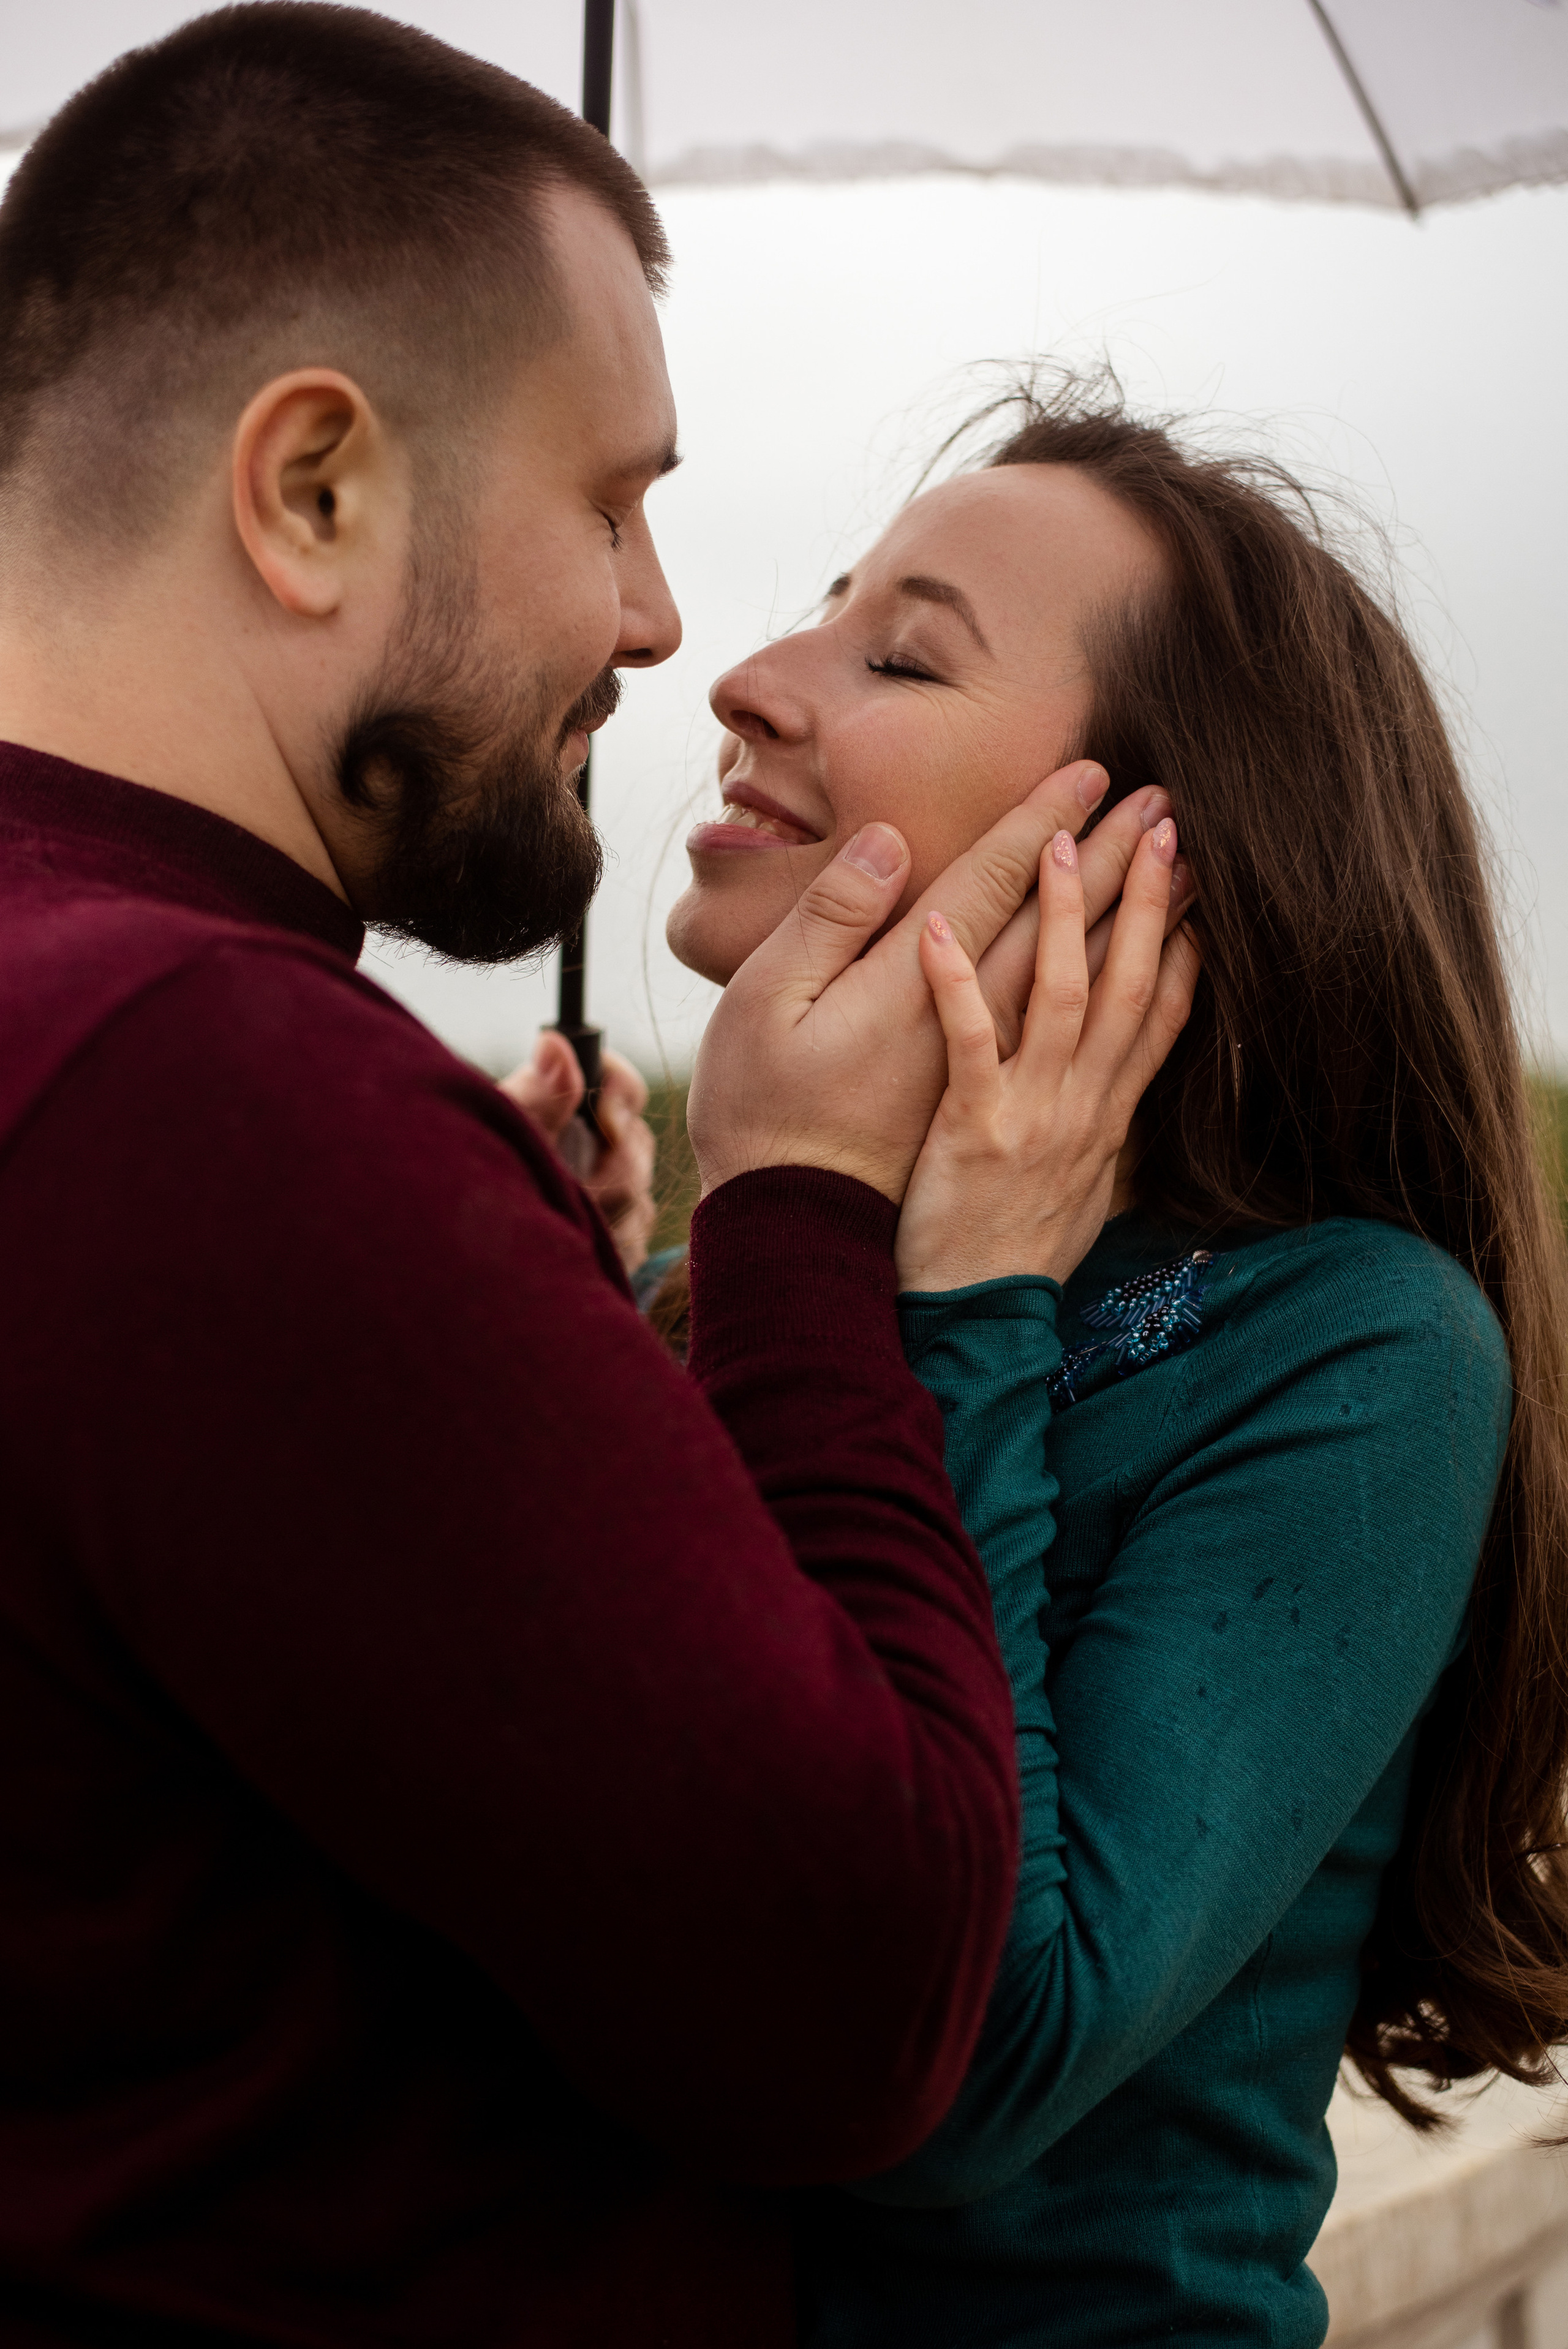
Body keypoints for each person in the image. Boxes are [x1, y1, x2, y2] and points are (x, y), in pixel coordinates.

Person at [0, 20, 1200, 2349]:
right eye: (609, 501)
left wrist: (509, 1305)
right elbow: (863, 1998)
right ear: (312, 490)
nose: (660, 622)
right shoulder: (221, 1092)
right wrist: (798, 1213)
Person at [663, 375, 1568, 2347]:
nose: (744, 678)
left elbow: (963, 2065)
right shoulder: (733, 1280)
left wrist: (971, 1302)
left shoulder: (1356, 1342)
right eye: (820, 610)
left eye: (900, 655)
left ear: (1149, 850)